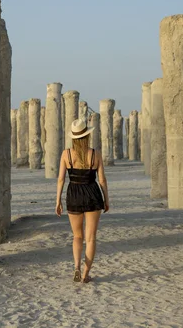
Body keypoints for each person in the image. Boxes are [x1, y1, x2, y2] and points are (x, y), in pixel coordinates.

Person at [56, 118, 109, 283]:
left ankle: (77, 266)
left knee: (77, 236)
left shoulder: (66, 154)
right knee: (91, 237)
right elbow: (102, 180)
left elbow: (60, 179)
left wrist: (58, 201)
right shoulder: (95, 154)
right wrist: (106, 199)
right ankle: (86, 274)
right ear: (87, 136)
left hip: (74, 194)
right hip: (92, 193)